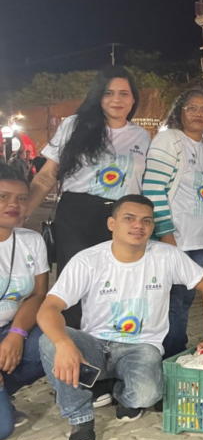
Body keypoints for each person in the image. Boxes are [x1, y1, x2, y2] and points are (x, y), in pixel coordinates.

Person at [37, 194, 203, 440]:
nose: (139, 226)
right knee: (49, 340)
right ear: (111, 224)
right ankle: (80, 419)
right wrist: (63, 343)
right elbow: (48, 309)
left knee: (147, 394)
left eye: (146, 221)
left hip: (141, 347)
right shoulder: (88, 260)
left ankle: (119, 391)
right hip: (95, 344)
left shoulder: (167, 256)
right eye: (129, 219)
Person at [25, 66, 151, 410]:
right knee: (76, 294)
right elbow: (47, 176)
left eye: (125, 93)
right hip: (78, 216)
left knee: (115, 294)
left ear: (133, 99)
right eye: (109, 92)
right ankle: (73, 374)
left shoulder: (142, 138)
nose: (117, 99)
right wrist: (20, 214)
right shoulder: (75, 126)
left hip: (121, 219)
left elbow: (149, 187)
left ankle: (110, 369)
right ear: (98, 96)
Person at [142, 88, 203, 359]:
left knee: (183, 304)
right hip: (174, 239)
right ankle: (165, 359)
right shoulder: (170, 140)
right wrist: (165, 234)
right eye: (192, 108)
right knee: (169, 304)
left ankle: (174, 354)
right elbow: (152, 188)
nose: (198, 114)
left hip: (198, 241)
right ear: (180, 111)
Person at [0, 165, 49, 440]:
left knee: (50, 340)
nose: (13, 205)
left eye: (21, 198)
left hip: (9, 329)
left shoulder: (32, 240)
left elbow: (38, 294)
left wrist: (18, 334)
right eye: (3, 196)